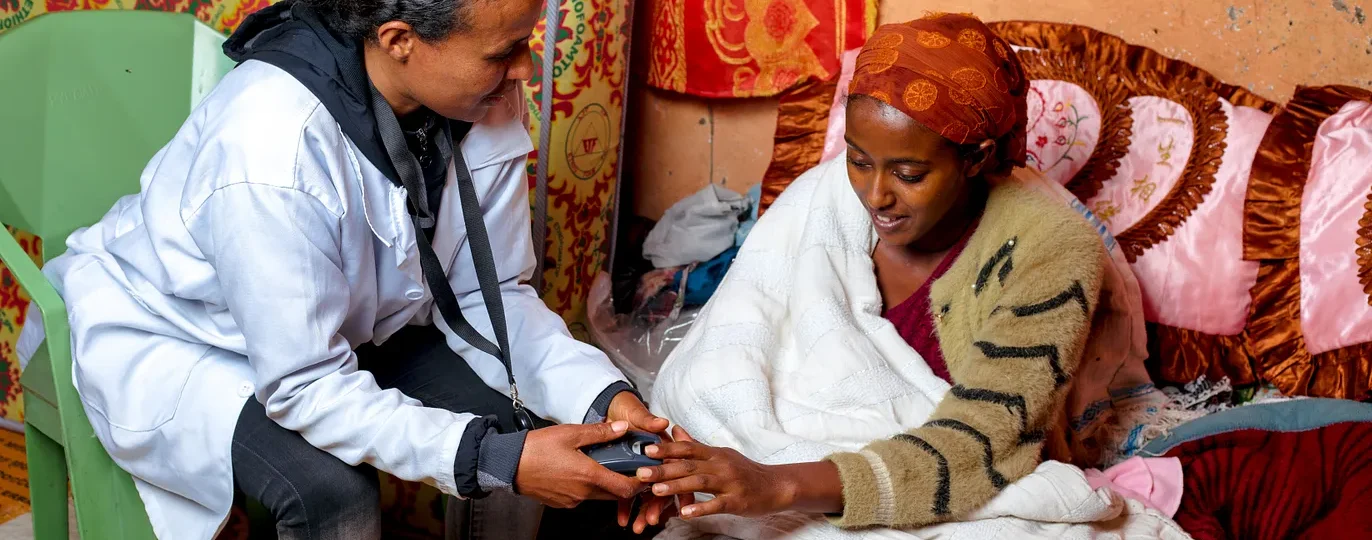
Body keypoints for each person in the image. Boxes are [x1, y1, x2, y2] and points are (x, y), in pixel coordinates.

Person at [35, 0, 671, 537]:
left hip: (345, 318)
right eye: (502, 52)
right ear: (399, 41)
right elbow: (304, 383)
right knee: (331, 492)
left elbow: (491, 291)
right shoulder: (270, 144)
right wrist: (494, 460)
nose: (524, 69)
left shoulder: (477, 95)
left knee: (518, 424)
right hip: (181, 333)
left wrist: (604, 400)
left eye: (524, 43)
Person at [635, 14, 1169, 536]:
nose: (875, 195)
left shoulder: (1045, 250)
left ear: (976, 158)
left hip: (905, 478)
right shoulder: (823, 197)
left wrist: (778, 485)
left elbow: (985, 444)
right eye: (859, 159)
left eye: (909, 174)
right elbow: (722, 359)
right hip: (777, 473)